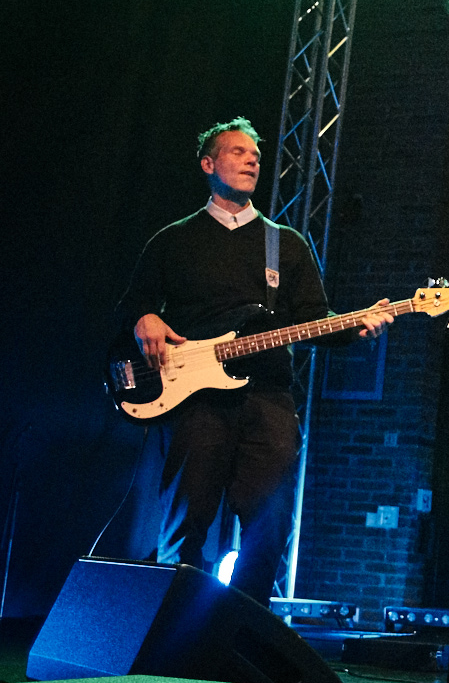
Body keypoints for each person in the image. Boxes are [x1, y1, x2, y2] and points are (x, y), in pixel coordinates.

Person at [118, 118, 391, 607]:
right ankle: (169, 627)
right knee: (186, 523)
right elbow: (132, 304)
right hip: (196, 401)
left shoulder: (284, 243)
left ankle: (240, 628)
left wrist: (356, 325)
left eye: (257, 157)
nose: (251, 161)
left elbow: (313, 319)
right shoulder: (174, 239)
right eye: (238, 152)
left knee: (270, 527)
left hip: (267, 399)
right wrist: (145, 317)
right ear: (208, 164)